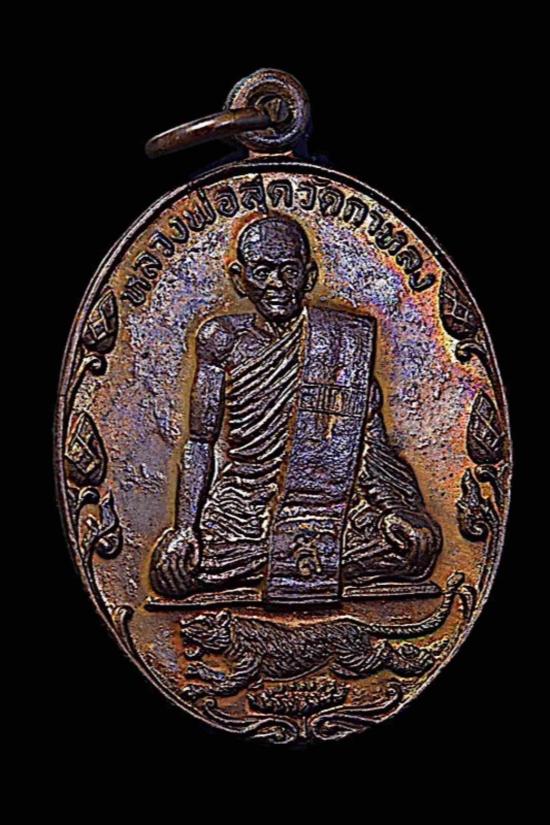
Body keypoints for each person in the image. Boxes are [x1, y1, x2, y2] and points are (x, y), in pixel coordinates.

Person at [150, 216, 441, 600]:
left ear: (309, 275)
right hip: (244, 510)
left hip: (333, 505)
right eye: (262, 272)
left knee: (415, 546)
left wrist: (395, 509)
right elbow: (200, 441)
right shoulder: (222, 339)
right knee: (174, 571)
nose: (277, 284)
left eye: (289, 271)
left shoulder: (343, 344)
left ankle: (277, 564)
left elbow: (370, 447)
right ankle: (307, 563)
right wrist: (186, 528)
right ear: (239, 279)